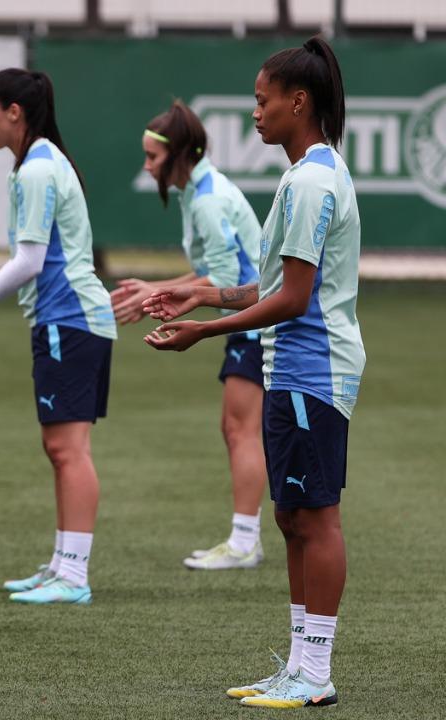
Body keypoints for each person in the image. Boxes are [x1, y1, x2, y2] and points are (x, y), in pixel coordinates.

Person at [143, 36, 360, 709]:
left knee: (315, 520)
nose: (256, 114)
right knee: (293, 517)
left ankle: (315, 674)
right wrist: (203, 294)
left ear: (301, 101)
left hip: (311, 370)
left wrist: (204, 331)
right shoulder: (302, 176)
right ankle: (297, 665)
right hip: (291, 366)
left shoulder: (314, 181)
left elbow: (295, 299)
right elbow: (272, 285)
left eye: (264, 102)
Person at [0, 68, 116, 606]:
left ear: (15, 113)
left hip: (70, 319)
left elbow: (29, 262)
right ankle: (61, 564)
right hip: (68, 320)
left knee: (67, 448)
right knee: (61, 447)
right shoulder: (38, 163)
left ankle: (74, 575)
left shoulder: (37, 168)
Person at [111, 100, 267, 570]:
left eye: (153, 157)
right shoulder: (196, 191)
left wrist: (158, 290)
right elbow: (211, 273)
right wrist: (157, 288)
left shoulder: (207, 199)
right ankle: (246, 538)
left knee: (242, 429)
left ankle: (244, 543)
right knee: (238, 428)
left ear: (180, 155)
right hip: (252, 316)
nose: (146, 165)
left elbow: (223, 279)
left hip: (257, 319)